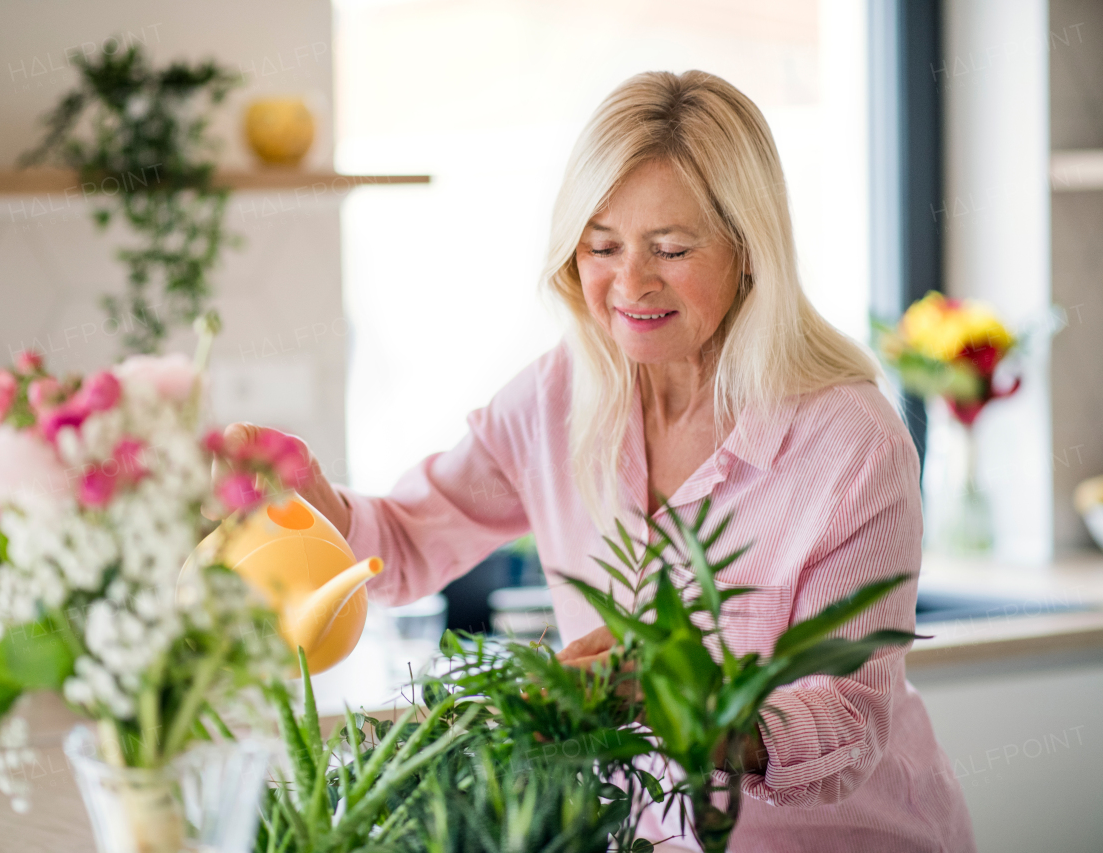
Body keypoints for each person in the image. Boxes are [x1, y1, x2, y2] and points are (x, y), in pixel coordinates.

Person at [225, 70, 976, 852]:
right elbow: (405, 542)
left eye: (672, 248)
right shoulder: (559, 396)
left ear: (751, 249)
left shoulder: (852, 441)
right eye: (601, 245)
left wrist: (674, 701)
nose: (630, 283)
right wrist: (306, 498)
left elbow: (848, 717)